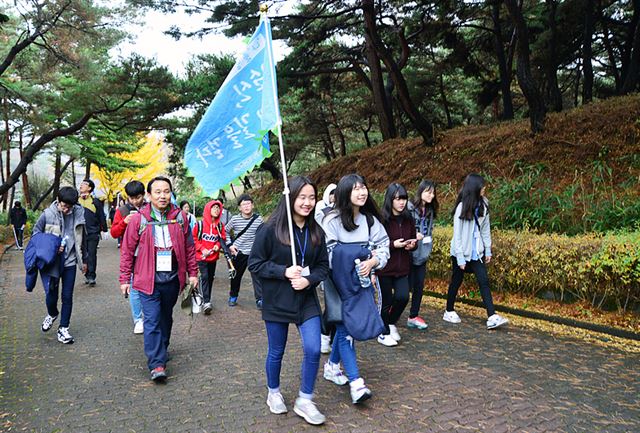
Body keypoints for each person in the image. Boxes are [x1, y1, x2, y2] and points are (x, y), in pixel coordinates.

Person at [248, 176, 329, 426]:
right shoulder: (270, 228)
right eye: (302, 197)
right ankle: (273, 392)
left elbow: (323, 267)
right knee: (276, 351)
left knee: (314, 348)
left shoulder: (316, 231)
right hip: (277, 300)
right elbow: (255, 264)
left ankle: (305, 398)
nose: (307, 203)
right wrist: (282, 271)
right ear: (290, 198)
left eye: (312, 197)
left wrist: (309, 279)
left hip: (306, 300)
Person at [119, 176, 198, 382]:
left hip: (172, 277)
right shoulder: (139, 219)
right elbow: (127, 250)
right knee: (152, 320)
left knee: (165, 317)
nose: (163, 196)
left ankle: (162, 347)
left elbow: (190, 248)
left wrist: (193, 274)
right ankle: (157, 364)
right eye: (158, 192)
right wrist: (125, 279)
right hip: (147, 278)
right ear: (149, 195)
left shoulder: (180, 217)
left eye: (166, 191)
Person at [322, 173, 389, 404]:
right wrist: (361, 255)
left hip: (362, 283)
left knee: (344, 329)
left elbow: (383, 246)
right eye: (356, 188)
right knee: (346, 328)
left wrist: (373, 262)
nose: (362, 192)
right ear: (344, 193)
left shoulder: (370, 221)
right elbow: (328, 255)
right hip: (338, 284)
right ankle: (356, 383)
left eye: (364, 187)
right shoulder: (331, 221)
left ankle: (331, 366)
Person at [445, 173, 509, 330]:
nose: (485, 188)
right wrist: (460, 258)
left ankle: (492, 316)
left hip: (476, 252)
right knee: (456, 281)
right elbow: (457, 235)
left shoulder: (484, 204)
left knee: (484, 280)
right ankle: (449, 310)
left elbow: (486, 229)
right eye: (482, 186)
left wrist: (488, 249)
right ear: (474, 188)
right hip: (461, 252)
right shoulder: (462, 207)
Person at [32, 187, 87, 344]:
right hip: (52, 261)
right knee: (51, 295)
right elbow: (36, 234)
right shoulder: (47, 214)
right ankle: (52, 313)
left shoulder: (78, 212)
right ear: (58, 200)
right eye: (64, 206)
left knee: (67, 296)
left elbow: (84, 236)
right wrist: (52, 244)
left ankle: (63, 328)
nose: (66, 209)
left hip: (69, 260)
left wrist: (85, 260)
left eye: (69, 206)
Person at [376, 183, 417, 347]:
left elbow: (413, 237)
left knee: (402, 297)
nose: (402, 202)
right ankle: (382, 332)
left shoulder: (408, 219)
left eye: (404, 199)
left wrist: (412, 245)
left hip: (402, 268)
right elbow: (377, 244)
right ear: (390, 200)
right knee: (385, 302)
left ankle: (391, 322)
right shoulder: (382, 219)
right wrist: (394, 245)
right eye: (398, 199)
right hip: (385, 268)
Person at [110, 180, 146, 334]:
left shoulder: (151, 208)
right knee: (134, 287)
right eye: (131, 198)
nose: (134, 201)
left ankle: (149, 316)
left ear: (144, 195)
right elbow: (114, 233)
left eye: (137, 197)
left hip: (149, 253)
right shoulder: (122, 210)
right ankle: (138, 319)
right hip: (132, 254)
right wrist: (124, 222)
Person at [407, 180, 439, 330]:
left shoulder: (430, 211)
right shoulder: (408, 208)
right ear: (420, 192)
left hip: (423, 253)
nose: (431, 195)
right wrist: (413, 234)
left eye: (433, 193)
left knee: (419, 285)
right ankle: (391, 310)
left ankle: (413, 315)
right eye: (428, 192)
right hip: (408, 252)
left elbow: (429, 230)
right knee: (405, 286)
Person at [225, 194, 264, 307]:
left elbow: (262, 235)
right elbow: (225, 231)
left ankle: (260, 299)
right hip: (239, 252)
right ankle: (233, 296)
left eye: (248, 204)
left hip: (254, 253)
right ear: (239, 207)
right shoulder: (235, 219)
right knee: (236, 276)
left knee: (257, 276)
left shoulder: (258, 219)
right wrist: (230, 245)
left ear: (252, 205)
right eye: (244, 204)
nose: (246, 206)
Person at [193, 199, 227, 315]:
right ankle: (206, 301)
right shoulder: (200, 224)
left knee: (210, 278)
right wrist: (202, 248)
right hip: (202, 257)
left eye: (218, 208)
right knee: (205, 277)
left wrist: (217, 246)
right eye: (214, 208)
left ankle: (206, 298)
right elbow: (194, 238)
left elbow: (221, 238)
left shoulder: (220, 226)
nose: (216, 210)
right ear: (208, 209)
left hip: (213, 258)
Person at [315, 183, 337, 354]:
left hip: (348, 267)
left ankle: (337, 340)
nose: (334, 197)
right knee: (333, 307)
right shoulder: (321, 213)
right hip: (330, 266)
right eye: (332, 194)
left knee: (344, 308)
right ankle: (324, 335)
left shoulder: (350, 213)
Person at [78, 179, 107, 286]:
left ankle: (91, 276)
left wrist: (104, 230)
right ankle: (86, 274)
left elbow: (101, 216)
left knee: (91, 254)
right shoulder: (76, 202)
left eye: (84, 184)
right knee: (82, 254)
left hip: (92, 233)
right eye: (81, 184)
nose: (81, 185)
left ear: (90, 188)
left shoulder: (95, 201)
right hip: (80, 233)